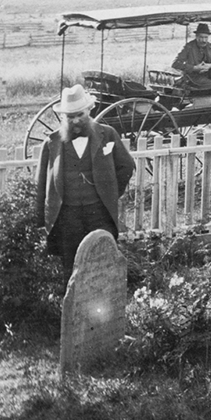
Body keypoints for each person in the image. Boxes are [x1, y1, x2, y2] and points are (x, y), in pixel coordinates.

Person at [36, 84, 136, 277]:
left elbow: (126, 166)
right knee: (71, 266)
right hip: (67, 216)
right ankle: (72, 304)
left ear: (89, 110)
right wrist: (42, 221)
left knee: (102, 262)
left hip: (99, 213)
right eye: (69, 116)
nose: (75, 121)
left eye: (79, 114)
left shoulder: (107, 134)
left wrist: (111, 192)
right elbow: (42, 184)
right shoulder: (52, 142)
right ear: (63, 117)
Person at [172, 22, 211, 105]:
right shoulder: (188, 47)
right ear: (196, 37)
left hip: (207, 74)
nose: (204, 40)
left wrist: (210, 65)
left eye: (206, 37)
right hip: (193, 78)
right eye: (201, 37)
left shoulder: (209, 47)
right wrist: (194, 68)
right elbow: (175, 63)